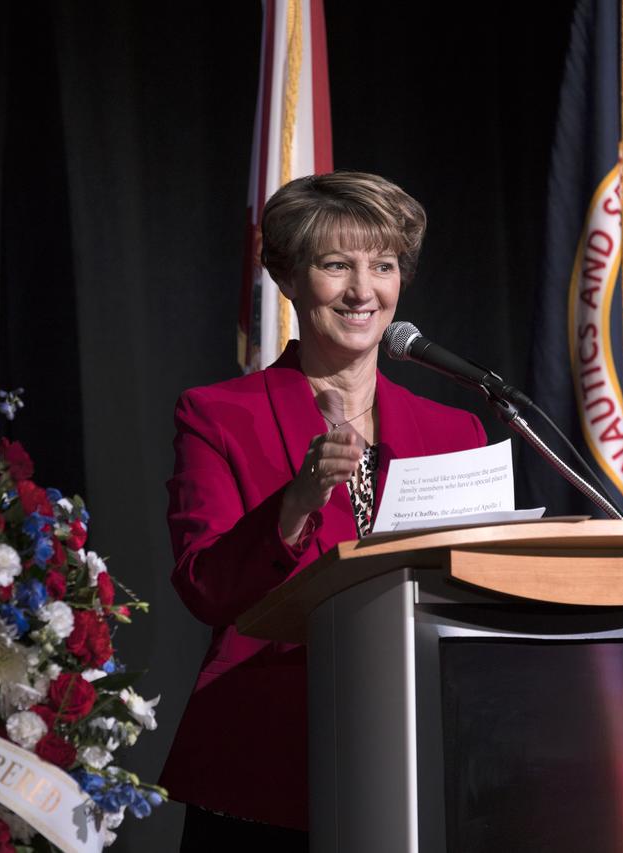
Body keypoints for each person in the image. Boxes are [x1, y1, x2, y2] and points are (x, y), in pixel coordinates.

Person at [161, 171, 488, 849]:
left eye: (384, 265)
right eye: (337, 265)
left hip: (425, 752)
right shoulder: (218, 414)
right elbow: (205, 584)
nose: (364, 290)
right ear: (287, 277)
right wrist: (295, 503)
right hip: (269, 760)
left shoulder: (456, 430)